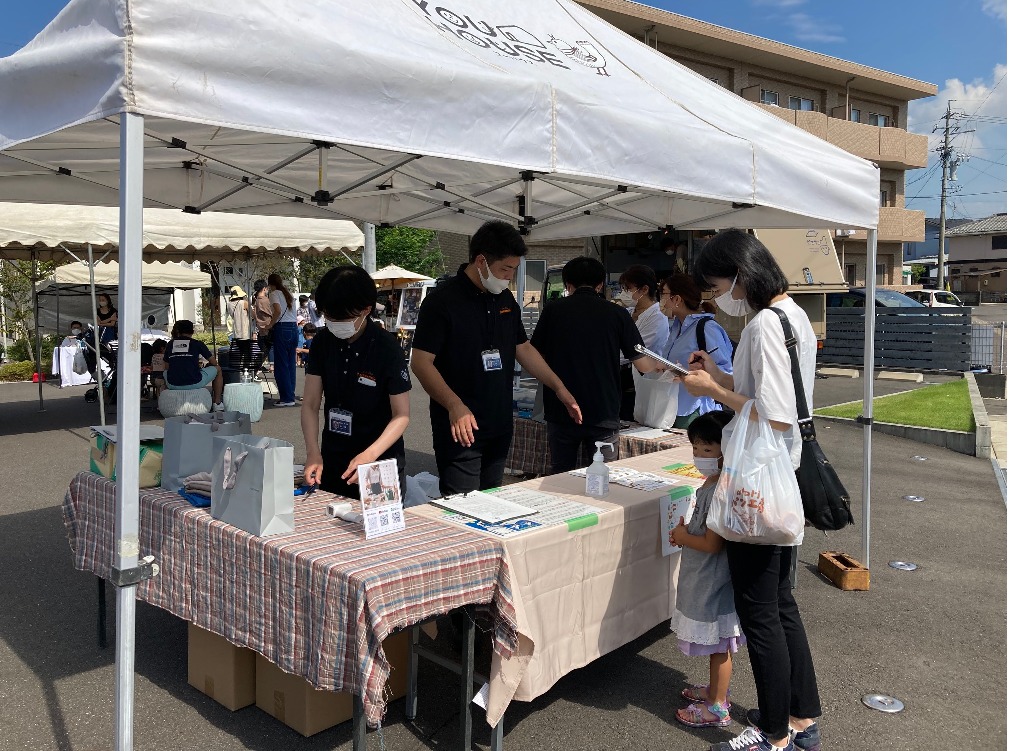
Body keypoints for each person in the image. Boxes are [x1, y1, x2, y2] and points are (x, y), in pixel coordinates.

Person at [680, 229, 821, 751]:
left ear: (741, 274)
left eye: (719, 287)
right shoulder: (792, 315)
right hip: (782, 476)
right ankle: (800, 716)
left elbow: (773, 414)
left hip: (757, 485)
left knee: (760, 611)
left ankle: (773, 732)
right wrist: (719, 374)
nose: (720, 297)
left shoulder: (763, 324)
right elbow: (769, 396)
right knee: (780, 604)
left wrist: (712, 391)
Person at [411, 220, 582, 496]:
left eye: (514, 270)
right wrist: (455, 405)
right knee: (463, 506)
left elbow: (523, 348)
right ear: (481, 261)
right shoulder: (442, 301)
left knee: (492, 500)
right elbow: (420, 362)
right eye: (505, 269)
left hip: (499, 423)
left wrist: (558, 387)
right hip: (461, 427)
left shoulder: (504, 299)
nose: (509, 277)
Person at [530, 256, 663, 474]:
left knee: (561, 475)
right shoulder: (617, 314)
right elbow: (643, 364)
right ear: (600, 285)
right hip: (604, 409)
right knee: (602, 476)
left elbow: (534, 356)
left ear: (567, 285)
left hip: (561, 407)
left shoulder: (553, 311)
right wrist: (663, 365)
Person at [302, 265, 411, 499]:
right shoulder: (322, 342)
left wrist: (370, 454)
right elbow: (310, 404)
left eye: (342, 318)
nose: (334, 323)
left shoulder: (386, 348)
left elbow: (401, 415)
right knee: (331, 518)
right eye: (329, 317)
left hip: (378, 461)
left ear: (366, 310)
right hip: (334, 458)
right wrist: (313, 452)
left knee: (379, 522)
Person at [668, 409, 743, 731]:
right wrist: (687, 533)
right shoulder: (714, 482)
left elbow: (712, 544)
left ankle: (717, 705)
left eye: (707, 449)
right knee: (718, 645)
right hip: (707, 575)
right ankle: (715, 690)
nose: (699, 455)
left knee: (720, 646)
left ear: (727, 449)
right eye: (696, 448)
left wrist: (683, 536)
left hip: (714, 580)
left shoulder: (720, 490)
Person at [658, 274, 734, 428]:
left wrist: (694, 374)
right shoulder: (675, 328)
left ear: (677, 299)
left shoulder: (707, 328)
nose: (662, 301)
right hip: (671, 406)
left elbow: (725, 372)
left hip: (695, 409)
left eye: (663, 294)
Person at [617, 265, 667, 421]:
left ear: (644, 289)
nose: (624, 293)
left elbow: (636, 350)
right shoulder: (628, 312)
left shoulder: (657, 317)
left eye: (628, 289)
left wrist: (608, 353)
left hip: (639, 377)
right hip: (621, 376)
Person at [163, 319, 224, 410]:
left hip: (172, 383)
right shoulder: (197, 344)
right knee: (218, 369)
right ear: (192, 331)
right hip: (195, 382)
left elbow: (166, 367)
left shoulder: (170, 344)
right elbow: (214, 362)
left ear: (178, 331)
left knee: (165, 372)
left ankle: (165, 401)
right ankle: (217, 403)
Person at [267, 272, 299, 407]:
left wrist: (270, 324)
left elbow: (278, 310)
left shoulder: (274, 294)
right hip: (293, 328)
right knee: (291, 363)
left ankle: (286, 397)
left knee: (281, 365)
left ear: (270, 284)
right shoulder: (289, 294)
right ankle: (290, 395)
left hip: (282, 328)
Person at [226, 285, 253, 367]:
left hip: (236, 332)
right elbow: (253, 314)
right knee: (247, 354)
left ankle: (239, 370)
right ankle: (246, 370)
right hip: (246, 332)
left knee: (239, 353)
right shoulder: (244, 303)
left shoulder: (229, 304)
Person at [252, 279, 274, 374]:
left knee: (262, 352)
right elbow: (272, 314)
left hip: (261, 329)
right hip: (268, 329)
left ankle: (254, 371)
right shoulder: (265, 301)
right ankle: (254, 371)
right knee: (264, 352)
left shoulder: (257, 301)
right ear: (264, 288)